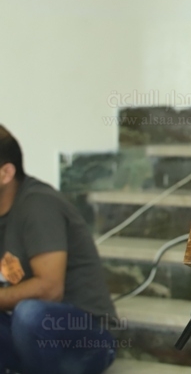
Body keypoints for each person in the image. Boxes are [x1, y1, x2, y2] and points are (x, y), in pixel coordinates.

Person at [0, 125, 117, 374]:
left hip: (86, 340)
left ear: (6, 173)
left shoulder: (39, 206)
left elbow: (50, 289)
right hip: (30, 342)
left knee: (30, 314)